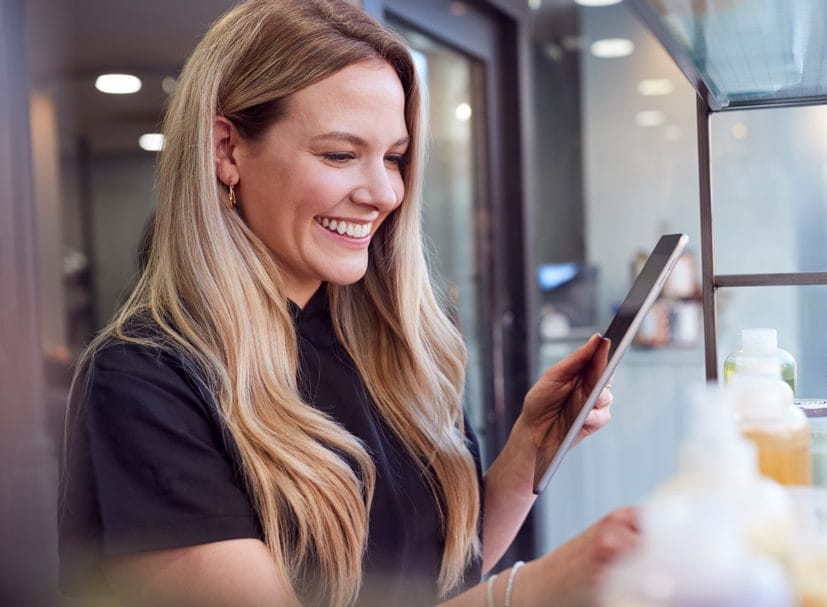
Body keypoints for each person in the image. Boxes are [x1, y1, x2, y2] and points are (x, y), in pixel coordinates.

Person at [57, 1, 639, 605]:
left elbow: (435, 574)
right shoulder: (143, 382)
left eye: (393, 157)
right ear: (226, 151)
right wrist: (533, 590)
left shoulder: (395, 350)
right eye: (339, 155)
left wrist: (527, 452)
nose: (385, 192)